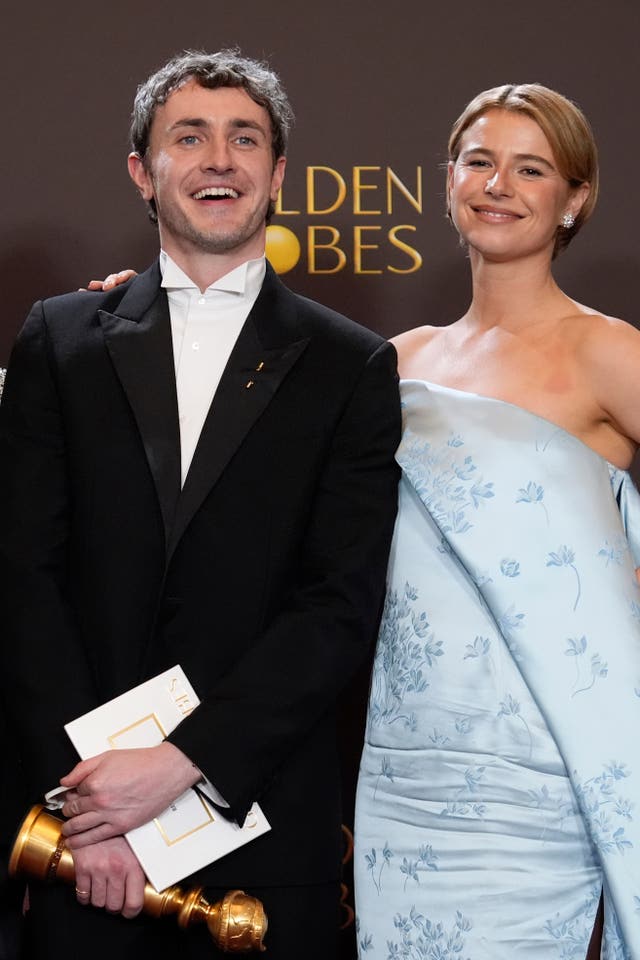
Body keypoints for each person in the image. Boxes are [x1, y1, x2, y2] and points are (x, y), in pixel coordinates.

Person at [0, 49, 401, 960]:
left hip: (263, 836)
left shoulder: (352, 364)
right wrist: (94, 809)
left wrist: (183, 764)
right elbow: (22, 578)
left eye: (244, 139)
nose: (219, 159)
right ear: (145, 172)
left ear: (278, 176)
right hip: (82, 850)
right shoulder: (58, 340)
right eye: (190, 137)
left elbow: (338, 604)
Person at [354, 83, 640, 959]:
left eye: (531, 168)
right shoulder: (397, 361)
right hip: (403, 770)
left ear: (574, 199)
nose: (498, 185)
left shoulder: (607, 350)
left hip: (543, 766)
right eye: (479, 161)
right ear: (447, 181)